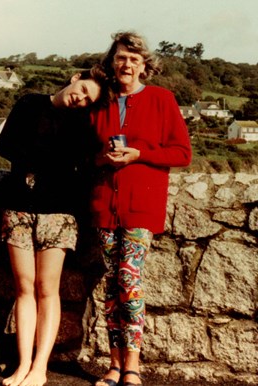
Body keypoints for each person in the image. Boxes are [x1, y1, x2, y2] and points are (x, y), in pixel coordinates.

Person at [90, 31, 192, 386]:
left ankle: (132, 365)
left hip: (141, 208)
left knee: (129, 281)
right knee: (110, 286)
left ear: (145, 66)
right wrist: (103, 158)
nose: (127, 64)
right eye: (120, 58)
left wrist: (140, 154)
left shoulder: (161, 99)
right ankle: (114, 364)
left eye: (134, 59)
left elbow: (183, 153)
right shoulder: (101, 102)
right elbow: (86, 155)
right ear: (111, 62)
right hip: (105, 205)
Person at [0, 66, 109, 386]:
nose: (81, 98)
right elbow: (6, 146)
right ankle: (22, 365)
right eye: (84, 89)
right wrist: (51, 160)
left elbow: (81, 162)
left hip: (59, 213)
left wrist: (36, 157)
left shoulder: (82, 123)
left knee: (47, 289)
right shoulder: (29, 103)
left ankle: (39, 369)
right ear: (75, 78)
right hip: (18, 207)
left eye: (89, 99)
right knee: (23, 287)